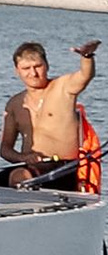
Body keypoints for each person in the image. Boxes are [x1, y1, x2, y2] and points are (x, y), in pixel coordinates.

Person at [3, 36, 101, 191]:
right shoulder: (15, 104)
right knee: (17, 175)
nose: (33, 73)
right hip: (30, 168)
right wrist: (23, 157)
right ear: (17, 71)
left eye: (37, 66)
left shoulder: (63, 87)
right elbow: (5, 149)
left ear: (47, 66)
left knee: (20, 176)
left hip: (63, 168)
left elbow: (85, 76)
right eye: (26, 69)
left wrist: (87, 57)